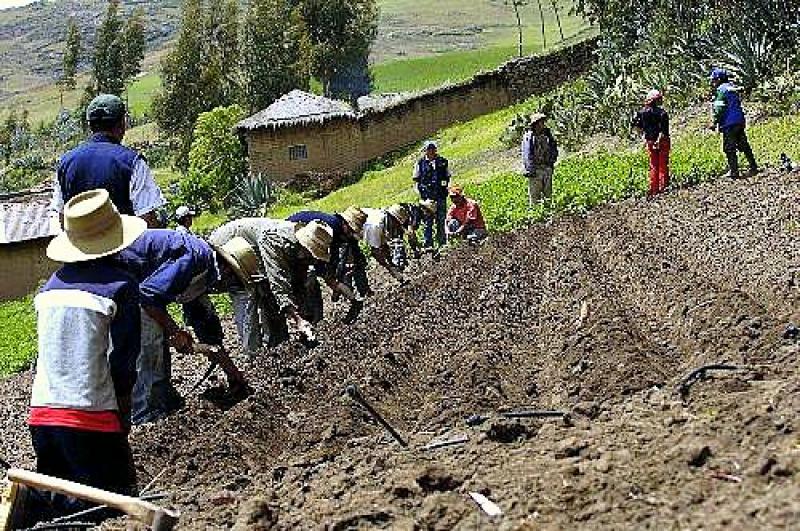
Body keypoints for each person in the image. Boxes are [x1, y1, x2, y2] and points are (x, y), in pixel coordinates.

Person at [25, 189, 145, 525]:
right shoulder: (121, 286)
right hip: (90, 418)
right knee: (113, 512)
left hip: (43, 417)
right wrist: (123, 414)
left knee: (60, 512)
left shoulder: (50, 288)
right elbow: (123, 362)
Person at [114, 229, 249, 425]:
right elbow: (148, 298)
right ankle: (145, 415)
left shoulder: (203, 274)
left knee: (157, 335)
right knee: (151, 342)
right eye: (234, 281)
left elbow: (208, 334)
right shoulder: (195, 260)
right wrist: (175, 332)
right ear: (227, 271)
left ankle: (165, 400)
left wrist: (234, 375)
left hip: (137, 287)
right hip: (120, 279)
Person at [209, 219, 334, 355]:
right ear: (305, 246)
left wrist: (303, 315)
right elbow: (278, 284)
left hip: (253, 251)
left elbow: (298, 281)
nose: (313, 259)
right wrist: (297, 319)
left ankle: (278, 343)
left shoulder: (299, 249)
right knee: (249, 296)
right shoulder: (274, 240)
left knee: (270, 293)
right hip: (228, 249)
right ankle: (255, 354)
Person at [51, 94, 165, 227]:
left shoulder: (65, 163)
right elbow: (146, 218)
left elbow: (62, 216)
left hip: (81, 246)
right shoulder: (132, 162)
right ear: (122, 123)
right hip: (125, 245)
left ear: (89, 126)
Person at [709, 68, 758, 178]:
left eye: (714, 80)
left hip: (728, 123)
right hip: (739, 120)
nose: (712, 83)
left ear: (719, 79)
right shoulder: (732, 88)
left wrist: (714, 122)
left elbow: (719, 108)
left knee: (729, 148)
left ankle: (734, 171)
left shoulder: (721, 90)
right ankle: (753, 166)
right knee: (744, 145)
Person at [412, 141, 451, 249]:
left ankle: (442, 243)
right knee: (427, 222)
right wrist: (421, 196)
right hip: (427, 198)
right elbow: (416, 180)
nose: (431, 151)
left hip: (441, 196)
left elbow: (447, 177)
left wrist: (445, 188)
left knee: (441, 220)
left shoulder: (443, 161)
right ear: (425, 151)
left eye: (433, 149)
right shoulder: (420, 163)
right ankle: (428, 244)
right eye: (429, 149)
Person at [632, 89, 671, 196]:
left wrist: (647, 136)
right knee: (663, 164)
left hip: (650, 141)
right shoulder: (662, 113)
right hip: (662, 141)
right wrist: (658, 141)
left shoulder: (641, 113)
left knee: (654, 165)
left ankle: (654, 189)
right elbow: (664, 131)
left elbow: (637, 126)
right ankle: (664, 188)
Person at [361, 204, 411, 281]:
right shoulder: (376, 227)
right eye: (397, 224)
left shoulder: (383, 216)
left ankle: (395, 269)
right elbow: (375, 252)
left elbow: (384, 244)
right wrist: (389, 268)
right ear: (393, 220)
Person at [521, 113, 559, 206]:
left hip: (546, 168)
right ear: (536, 124)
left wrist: (551, 163)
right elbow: (527, 154)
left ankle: (549, 213)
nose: (543, 124)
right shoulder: (529, 137)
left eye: (543, 122)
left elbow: (553, 148)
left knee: (548, 194)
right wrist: (530, 170)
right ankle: (537, 216)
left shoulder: (547, 135)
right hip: (535, 170)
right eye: (541, 122)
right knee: (535, 197)